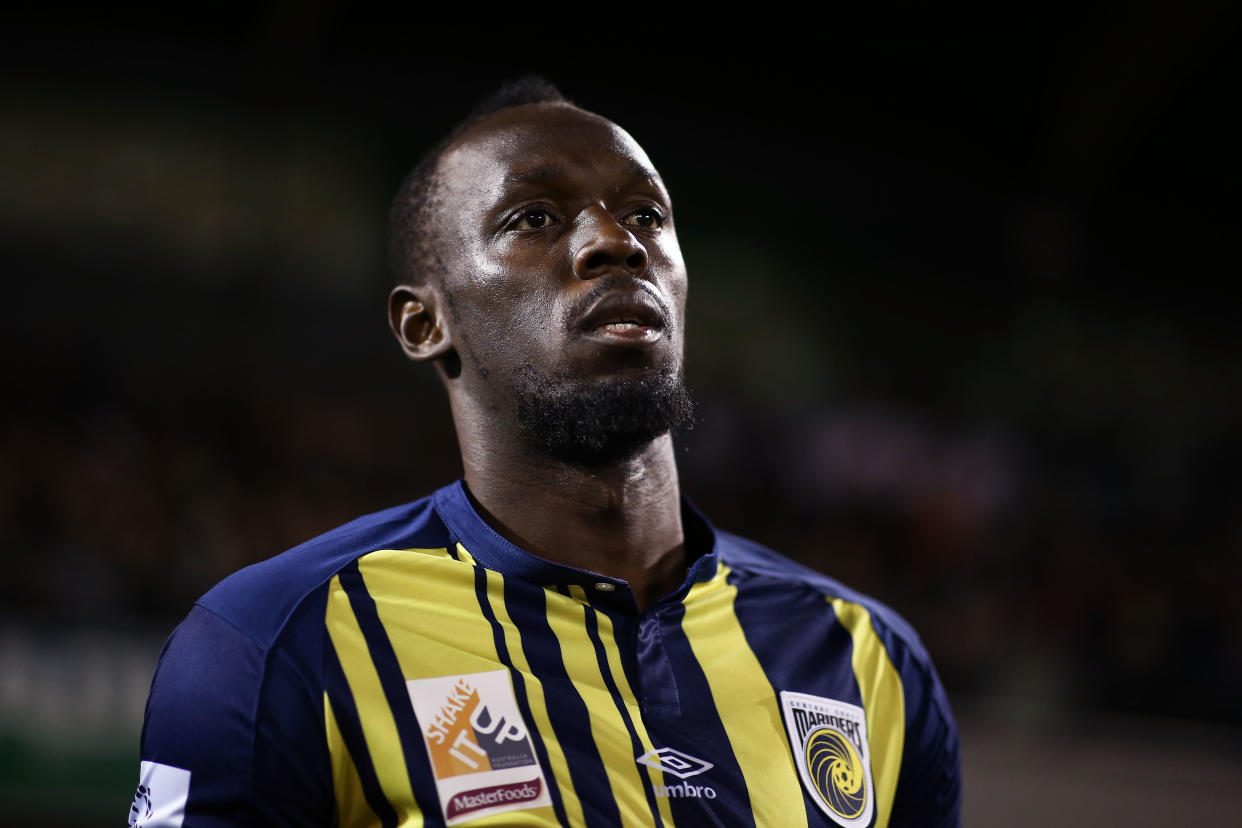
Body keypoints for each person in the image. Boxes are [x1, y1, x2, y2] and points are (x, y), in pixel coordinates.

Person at [133, 77, 961, 828]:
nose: (617, 242)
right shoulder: (274, 645)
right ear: (426, 324)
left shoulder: (866, 658)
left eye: (646, 215)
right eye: (534, 218)